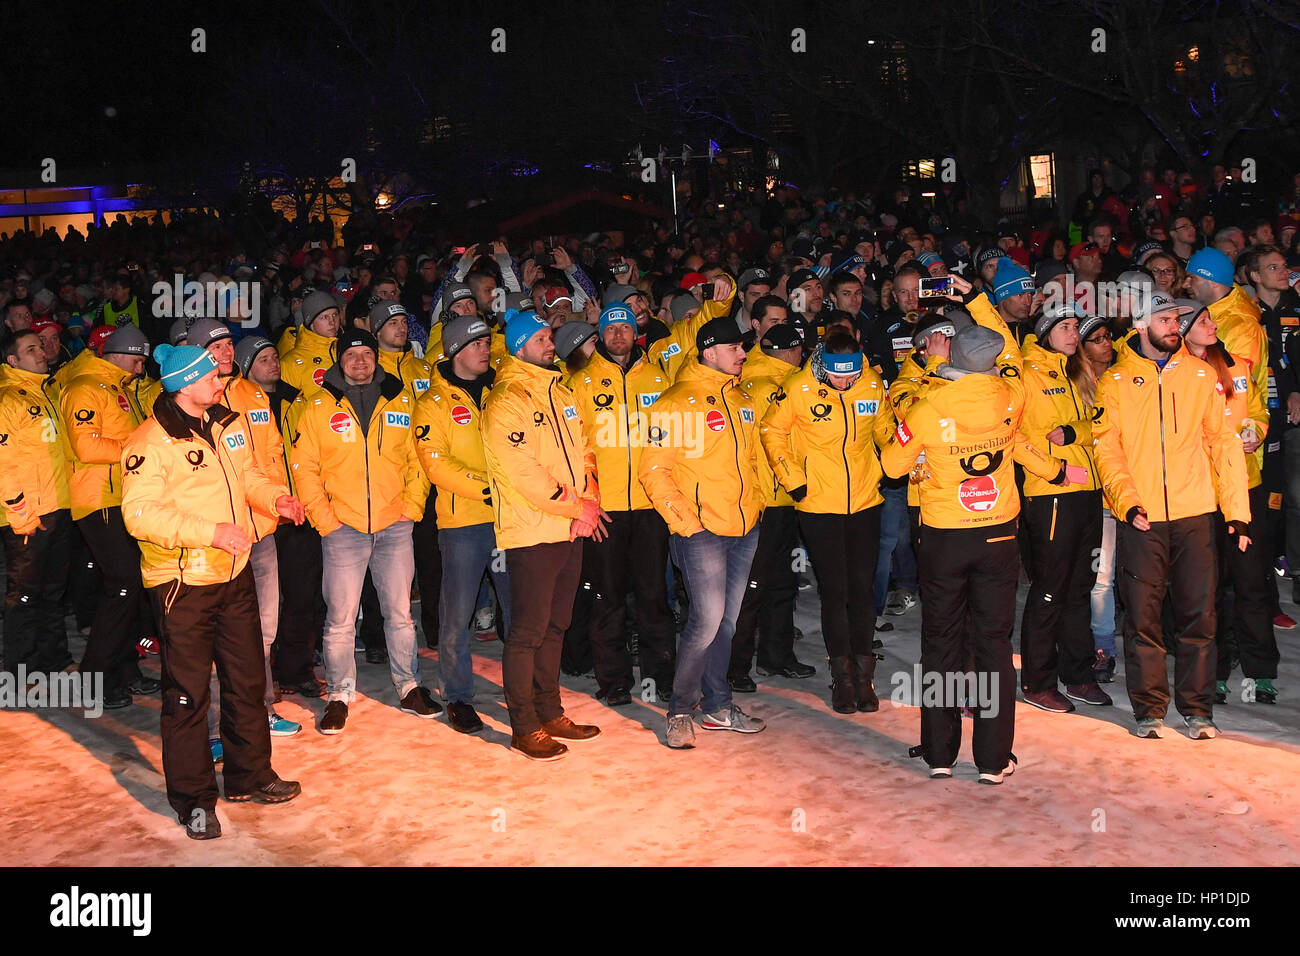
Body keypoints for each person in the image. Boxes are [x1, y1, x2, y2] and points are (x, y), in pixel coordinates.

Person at [880, 322, 1085, 784]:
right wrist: (1056, 472)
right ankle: (993, 759)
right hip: (997, 536)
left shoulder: (930, 406)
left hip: (945, 538)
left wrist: (933, 367)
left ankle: (939, 753)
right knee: (993, 645)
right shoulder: (1011, 397)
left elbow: (892, 465)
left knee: (941, 643)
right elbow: (1018, 444)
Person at [120, 343, 304, 840]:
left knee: (246, 681)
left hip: (234, 573)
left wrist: (276, 499)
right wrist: (212, 532)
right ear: (182, 384)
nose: (220, 381)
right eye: (209, 377)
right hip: (183, 583)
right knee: (187, 696)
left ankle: (250, 775)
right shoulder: (150, 441)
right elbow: (138, 515)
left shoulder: (226, 422)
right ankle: (194, 801)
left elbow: (247, 476)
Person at [1092, 290, 1252, 739]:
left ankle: (1198, 710)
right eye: (1164, 318)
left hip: (1196, 514)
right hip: (1142, 517)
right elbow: (1108, 449)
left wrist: (1236, 512)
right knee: (1143, 619)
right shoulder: (1117, 380)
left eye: (1176, 318)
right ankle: (1149, 710)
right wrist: (1127, 502)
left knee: (1199, 615)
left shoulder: (1203, 375)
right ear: (1141, 325)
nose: (1173, 325)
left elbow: (1224, 444)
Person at [289, 327, 437, 734]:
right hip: (342, 528)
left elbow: (417, 459)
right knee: (340, 619)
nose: (360, 361)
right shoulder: (318, 406)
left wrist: (411, 507)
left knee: (402, 615)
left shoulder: (400, 399)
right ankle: (339, 694)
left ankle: (409, 687)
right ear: (340, 359)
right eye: (351, 354)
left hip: (394, 525)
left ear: (376, 358)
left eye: (366, 354)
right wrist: (325, 519)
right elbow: (304, 468)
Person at [482, 310, 604, 761]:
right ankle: (524, 724)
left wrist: (588, 502)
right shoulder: (507, 399)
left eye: (549, 336)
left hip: (571, 526)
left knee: (557, 625)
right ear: (517, 347)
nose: (550, 343)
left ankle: (550, 711)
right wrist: (578, 506)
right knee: (528, 631)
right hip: (532, 530)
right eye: (539, 338)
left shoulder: (562, 390)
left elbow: (585, 450)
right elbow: (524, 475)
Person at [640, 314, 767, 749]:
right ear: (710, 351)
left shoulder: (741, 397)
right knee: (706, 621)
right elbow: (654, 472)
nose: (744, 354)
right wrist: (687, 524)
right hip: (702, 531)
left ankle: (717, 705)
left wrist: (759, 503)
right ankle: (679, 710)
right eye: (736, 348)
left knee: (727, 623)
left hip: (744, 526)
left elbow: (753, 459)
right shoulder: (675, 402)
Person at [761, 328, 896, 713]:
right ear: (823, 364)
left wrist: (895, 456)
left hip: (866, 500)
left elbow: (884, 426)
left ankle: (864, 674)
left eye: (850, 375)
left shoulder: (870, 383)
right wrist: (793, 480)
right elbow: (772, 432)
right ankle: (842, 677)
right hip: (818, 504)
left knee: (862, 590)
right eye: (838, 376)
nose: (845, 382)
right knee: (835, 592)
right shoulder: (798, 387)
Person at [188, 319, 300, 736]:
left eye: (228, 344)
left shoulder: (253, 393)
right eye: (214, 347)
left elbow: (270, 455)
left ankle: (262, 709)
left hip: (263, 532)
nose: (226, 352)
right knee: (223, 637)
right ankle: (217, 727)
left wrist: (280, 499)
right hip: (221, 538)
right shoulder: (192, 400)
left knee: (264, 630)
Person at [565, 303, 676, 706]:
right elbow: (571, 448)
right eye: (610, 330)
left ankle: (662, 677)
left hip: (650, 508)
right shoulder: (580, 382)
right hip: (605, 509)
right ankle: (612, 681)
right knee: (607, 600)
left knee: (653, 598)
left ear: (635, 333)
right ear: (601, 334)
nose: (617, 336)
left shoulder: (660, 378)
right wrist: (585, 503)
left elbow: (673, 441)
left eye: (624, 329)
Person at [1177, 300, 1280, 705]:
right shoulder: (1177, 372)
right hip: (1201, 494)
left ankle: (1261, 671)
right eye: (1202, 320)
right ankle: (1214, 672)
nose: (1212, 323)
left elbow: (1256, 409)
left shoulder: (1237, 364)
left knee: (1253, 582)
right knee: (1209, 588)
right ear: (1183, 331)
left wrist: (1254, 429)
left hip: (1245, 485)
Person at [412, 315, 510, 733]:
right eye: (477, 344)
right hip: (464, 523)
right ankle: (458, 695)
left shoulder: (501, 391)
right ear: (455, 351)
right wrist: (490, 487)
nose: (487, 349)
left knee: (517, 610)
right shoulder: (432, 403)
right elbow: (436, 464)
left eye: (487, 342)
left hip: (511, 522)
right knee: (457, 616)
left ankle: (524, 690)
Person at [1016, 303, 1110, 712]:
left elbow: (1104, 423)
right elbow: (1015, 436)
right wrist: (1055, 472)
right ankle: (1037, 681)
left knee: (1080, 591)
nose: (1074, 335)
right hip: (1051, 493)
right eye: (1065, 328)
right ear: (1045, 332)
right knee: (1050, 590)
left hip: (1089, 491)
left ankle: (1078, 675)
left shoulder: (1080, 370)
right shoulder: (1025, 372)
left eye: (1076, 328)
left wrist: (1075, 431)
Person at [60, 325, 158, 709]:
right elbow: (86, 444)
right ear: (118, 354)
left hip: (122, 495)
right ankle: (95, 676)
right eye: (136, 360)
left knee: (130, 586)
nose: (139, 368)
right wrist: (135, 449)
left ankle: (124, 669)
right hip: (97, 497)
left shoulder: (118, 389)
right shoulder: (85, 386)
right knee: (124, 583)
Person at [730, 324, 814, 689]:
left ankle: (774, 657)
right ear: (790, 352)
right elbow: (785, 444)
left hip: (775, 499)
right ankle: (737, 668)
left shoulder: (756, 380)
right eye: (801, 349)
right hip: (770, 499)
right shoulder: (774, 388)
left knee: (777, 583)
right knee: (756, 587)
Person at [0, 330, 74, 676]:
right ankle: (22, 670)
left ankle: (55, 660)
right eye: (30, 349)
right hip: (27, 515)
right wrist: (20, 513)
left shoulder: (48, 392)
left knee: (53, 591)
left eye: (40, 346)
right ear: (13, 360)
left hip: (58, 507)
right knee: (25, 596)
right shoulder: (7, 400)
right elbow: (4, 464)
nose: (41, 351)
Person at [1076, 315, 1120, 682]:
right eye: (1097, 338)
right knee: (1101, 576)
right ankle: (1102, 646)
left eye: (1109, 336)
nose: (1107, 343)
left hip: (1138, 486)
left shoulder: (1127, 375)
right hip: (1099, 491)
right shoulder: (1075, 383)